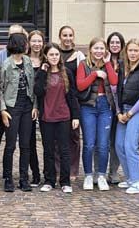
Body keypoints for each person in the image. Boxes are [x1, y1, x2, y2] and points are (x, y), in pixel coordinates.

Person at [34, 43, 79, 194]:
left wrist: (76, 116)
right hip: (47, 117)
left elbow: (72, 96)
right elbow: (38, 91)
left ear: (60, 56)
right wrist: (41, 71)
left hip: (64, 116)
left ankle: (65, 181)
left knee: (64, 150)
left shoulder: (66, 72)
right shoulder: (42, 73)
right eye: (51, 54)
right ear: (46, 56)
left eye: (56, 54)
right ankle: (49, 180)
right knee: (48, 150)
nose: (54, 57)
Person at [76, 36, 118, 191]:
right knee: (89, 143)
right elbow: (80, 86)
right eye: (96, 48)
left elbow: (114, 82)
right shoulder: (83, 65)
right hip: (88, 107)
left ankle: (101, 175)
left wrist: (107, 64)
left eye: (101, 48)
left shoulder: (109, 64)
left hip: (105, 106)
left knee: (103, 144)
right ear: (90, 49)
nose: (99, 51)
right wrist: (95, 74)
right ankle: (88, 175)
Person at [0, 32, 39, 193]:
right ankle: (8, 178)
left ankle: (24, 178)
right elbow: (0, 89)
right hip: (12, 107)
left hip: (27, 106)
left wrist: (35, 105)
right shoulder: (7, 65)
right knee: (10, 145)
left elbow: (33, 85)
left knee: (25, 144)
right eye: (25, 42)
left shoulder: (28, 61)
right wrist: (2, 109)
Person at [0, 23, 27, 176]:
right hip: (4, 101)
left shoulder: (26, 58)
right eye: (11, 35)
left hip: (19, 104)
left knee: (18, 141)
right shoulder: (3, 55)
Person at [114, 38, 139, 194]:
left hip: (138, 110)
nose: (133, 53)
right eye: (130, 50)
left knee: (131, 145)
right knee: (119, 145)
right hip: (123, 110)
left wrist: (130, 114)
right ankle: (130, 177)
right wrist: (118, 112)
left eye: (136, 50)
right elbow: (117, 91)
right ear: (126, 51)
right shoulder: (123, 67)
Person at [59, 25, 85, 181]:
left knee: (74, 137)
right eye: (64, 35)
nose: (67, 38)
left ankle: (73, 169)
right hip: (56, 101)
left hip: (73, 100)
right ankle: (58, 169)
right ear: (60, 36)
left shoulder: (79, 56)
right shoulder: (53, 52)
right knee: (57, 138)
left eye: (70, 35)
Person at [27, 30, 47, 187]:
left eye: (39, 41)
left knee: (48, 141)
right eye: (34, 41)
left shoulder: (48, 59)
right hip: (29, 105)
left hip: (47, 104)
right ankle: (35, 173)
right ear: (29, 42)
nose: (37, 44)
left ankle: (50, 173)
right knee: (30, 140)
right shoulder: (24, 60)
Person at [104, 31, 125, 184]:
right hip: (106, 104)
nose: (115, 45)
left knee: (117, 140)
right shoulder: (103, 60)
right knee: (104, 140)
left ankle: (113, 171)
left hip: (122, 106)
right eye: (112, 42)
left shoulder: (126, 61)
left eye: (118, 42)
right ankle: (100, 171)